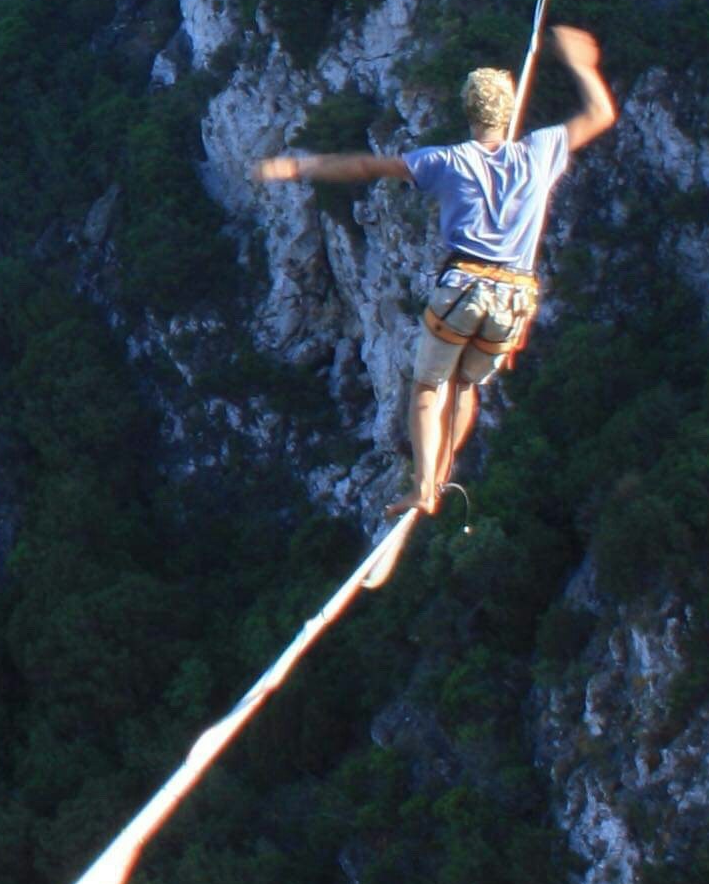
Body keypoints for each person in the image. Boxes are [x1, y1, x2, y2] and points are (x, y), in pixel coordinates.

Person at [252, 26, 619, 518]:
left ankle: (425, 488)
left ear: (468, 112)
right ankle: (442, 471)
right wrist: (581, 63)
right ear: (509, 112)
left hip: (464, 288)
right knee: (465, 386)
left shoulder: (449, 161)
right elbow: (600, 114)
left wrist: (300, 168)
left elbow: (368, 167)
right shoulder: (539, 152)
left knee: (428, 387)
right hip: (513, 299)